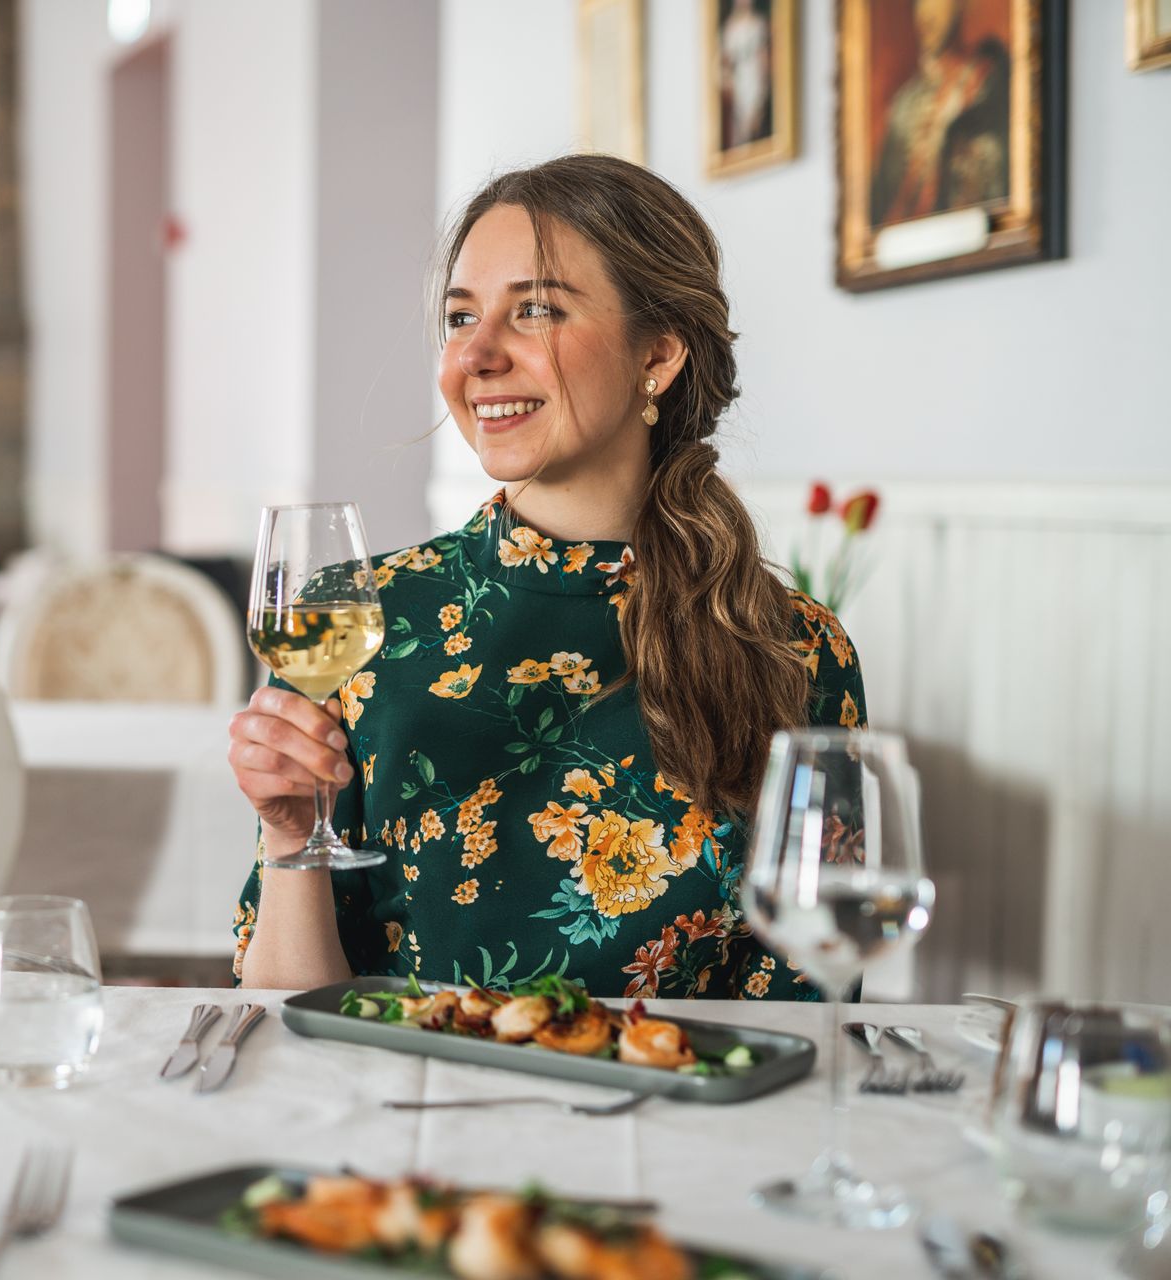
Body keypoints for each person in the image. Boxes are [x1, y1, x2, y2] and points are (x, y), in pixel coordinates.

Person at [227, 154, 864, 1000]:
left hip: (680, 1120)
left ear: (660, 353)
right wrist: (286, 834)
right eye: (460, 316)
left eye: (535, 310)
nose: (477, 353)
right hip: (401, 1116)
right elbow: (284, 1015)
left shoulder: (799, 651)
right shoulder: (357, 621)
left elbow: (807, 1010)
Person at [868, 0, 1010, 228]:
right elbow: (876, 218)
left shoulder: (991, 84)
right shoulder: (904, 107)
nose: (925, 12)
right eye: (918, 2)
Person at [719, 0, 773, 151]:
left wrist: (764, 75)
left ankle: (754, 143)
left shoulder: (758, 23)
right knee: (740, 119)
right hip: (739, 77)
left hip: (753, 74)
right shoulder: (730, 27)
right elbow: (727, 59)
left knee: (755, 114)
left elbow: (763, 55)